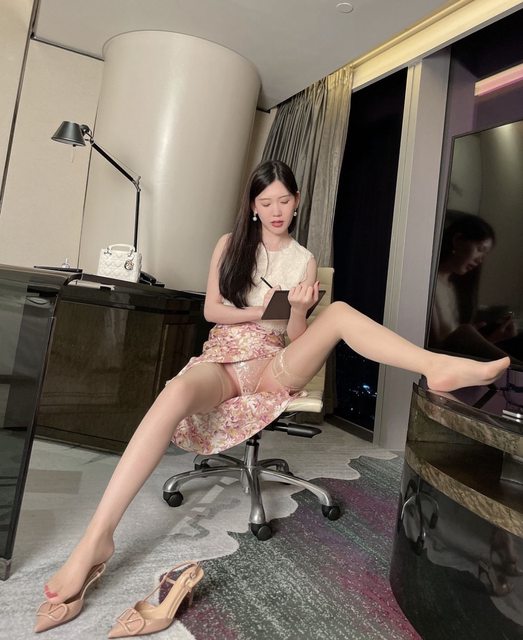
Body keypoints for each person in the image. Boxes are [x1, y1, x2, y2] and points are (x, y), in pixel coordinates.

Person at [37, 160, 510, 633]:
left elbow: (294, 335)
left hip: (274, 363)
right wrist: (259, 309)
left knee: (339, 313)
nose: (276, 210)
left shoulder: (303, 259)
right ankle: (96, 540)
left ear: (297, 202)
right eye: (266, 202)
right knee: (176, 392)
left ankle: (435, 365)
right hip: (224, 359)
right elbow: (212, 310)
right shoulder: (230, 245)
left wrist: (299, 310)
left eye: (284, 200)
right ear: (253, 206)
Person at [430, 213, 519, 361]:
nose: (480, 260)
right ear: (458, 240)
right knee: (465, 330)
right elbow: (435, 347)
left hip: (455, 361)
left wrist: (491, 339)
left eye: (485, 254)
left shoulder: (452, 287)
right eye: (480, 249)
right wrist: (467, 336)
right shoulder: (430, 283)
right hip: (437, 363)